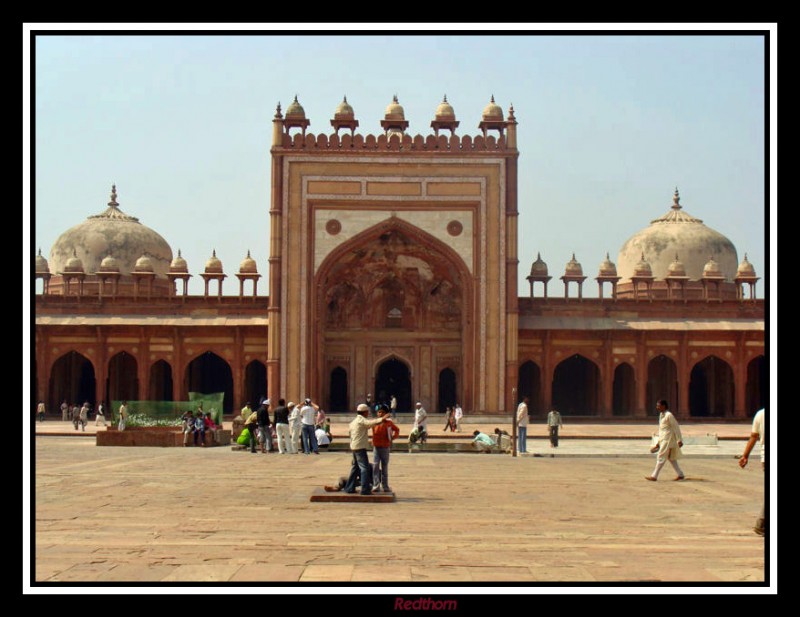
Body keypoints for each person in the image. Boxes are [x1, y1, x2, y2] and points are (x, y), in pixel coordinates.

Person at [327, 403, 390, 495]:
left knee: (355, 467)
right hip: (360, 447)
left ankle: (349, 488)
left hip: (354, 446)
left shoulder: (354, 422)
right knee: (364, 468)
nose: (368, 413)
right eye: (367, 412)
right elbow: (370, 423)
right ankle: (365, 489)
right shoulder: (361, 420)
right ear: (364, 412)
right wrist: (382, 419)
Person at [739, 408, 765, 536]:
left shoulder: (760, 414)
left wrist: (745, 455)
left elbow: (754, 436)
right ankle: (761, 523)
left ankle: (761, 524)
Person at [645, 399, 685, 481]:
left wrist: (679, 439)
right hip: (664, 438)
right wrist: (658, 442)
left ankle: (654, 476)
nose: (657, 407)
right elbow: (662, 429)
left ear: (663, 406)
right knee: (671, 458)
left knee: (661, 456)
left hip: (668, 439)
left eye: (658, 406)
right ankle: (680, 474)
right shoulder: (661, 415)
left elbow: (676, 427)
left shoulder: (669, 415)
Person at [372, 403, 400, 493]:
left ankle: (385, 485)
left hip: (385, 447)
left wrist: (393, 437)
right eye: (379, 412)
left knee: (384, 467)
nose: (380, 414)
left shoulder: (389, 423)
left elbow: (397, 430)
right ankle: (376, 485)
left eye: (382, 412)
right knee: (375, 466)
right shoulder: (375, 423)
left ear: (386, 414)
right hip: (376, 447)